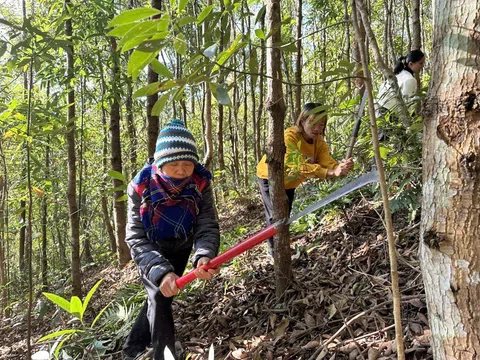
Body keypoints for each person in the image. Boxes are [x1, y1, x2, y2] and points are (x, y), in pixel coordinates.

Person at [122, 119, 220, 360]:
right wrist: (160, 271)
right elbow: (135, 236)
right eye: (174, 164)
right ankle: (163, 355)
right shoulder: (141, 187)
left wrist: (204, 254)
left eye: (187, 163)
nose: (181, 170)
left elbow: (206, 222)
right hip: (151, 247)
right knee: (160, 294)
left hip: (182, 243)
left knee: (163, 294)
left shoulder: (200, 182)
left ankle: (132, 346)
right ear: (160, 163)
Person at [256, 103, 354, 256]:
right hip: (269, 177)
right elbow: (298, 166)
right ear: (302, 121)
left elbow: (326, 161)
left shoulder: (318, 141)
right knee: (274, 216)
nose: (317, 128)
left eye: (321, 125)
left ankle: (282, 246)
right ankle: (275, 251)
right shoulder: (290, 136)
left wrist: (340, 167)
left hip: (290, 182)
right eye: (313, 123)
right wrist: (331, 172)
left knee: (285, 213)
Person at [375, 49, 426, 118]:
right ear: (411, 64)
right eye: (420, 63)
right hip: (388, 113)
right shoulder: (410, 79)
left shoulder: (398, 74)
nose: (422, 66)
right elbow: (406, 103)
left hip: (378, 110)